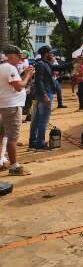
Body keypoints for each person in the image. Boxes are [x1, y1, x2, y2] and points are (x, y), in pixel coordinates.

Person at [0, 45, 35, 175]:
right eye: (19, 55)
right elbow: (19, 87)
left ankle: (1, 160)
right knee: (12, 137)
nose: (20, 58)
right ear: (11, 56)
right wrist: (28, 75)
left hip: (4, 106)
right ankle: (14, 167)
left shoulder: (3, 67)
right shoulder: (9, 68)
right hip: (11, 107)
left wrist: (23, 74)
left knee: (2, 134)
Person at [29, 46, 58, 150]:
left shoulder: (45, 63)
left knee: (36, 119)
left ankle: (33, 142)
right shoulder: (41, 64)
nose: (53, 55)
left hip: (41, 95)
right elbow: (39, 81)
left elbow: (59, 67)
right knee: (43, 120)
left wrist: (74, 62)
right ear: (46, 53)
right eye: (51, 53)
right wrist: (45, 95)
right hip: (45, 94)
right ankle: (40, 143)